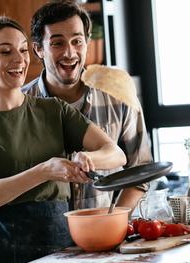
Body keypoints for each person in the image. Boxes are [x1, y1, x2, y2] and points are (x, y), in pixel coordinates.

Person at [0, 16, 126, 263]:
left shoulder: (54, 110)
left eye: (22, 50)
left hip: (60, 250)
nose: (19, 60)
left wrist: (86, 157)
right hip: (2, 258)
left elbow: (116, 154)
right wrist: (44, 171)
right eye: (5, 51)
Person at [23, 1, 153, 210]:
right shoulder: (20, 104)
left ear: (87, 42)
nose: (70, 53)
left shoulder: (117, 95)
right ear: (38, 49)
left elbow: (140, 171)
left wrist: (113, 221)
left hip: (104, 234)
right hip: (41, 239)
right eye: (57, 43)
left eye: (77, 41)